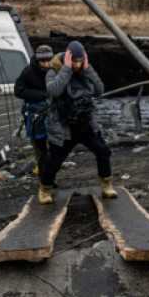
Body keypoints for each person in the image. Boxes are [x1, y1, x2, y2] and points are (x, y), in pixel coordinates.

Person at [38, 40, 117, 204]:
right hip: (63, 126)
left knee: (103, 152)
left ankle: (106, 185)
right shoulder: (54, 70)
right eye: (75, 61)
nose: (78, 65)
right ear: (68, 58)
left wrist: (87, 69)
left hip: (86, 124)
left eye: (81, 61)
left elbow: (100, 90)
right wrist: (66, 69)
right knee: (54, 161)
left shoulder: (85, 70)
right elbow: (53, 90)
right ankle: (45, 189)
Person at [14, 44, 54, 171]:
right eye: (43, 61)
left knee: (54, 147)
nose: (46, 64)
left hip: (53, 112)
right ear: (38, 61)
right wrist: (42, 95)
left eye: (49, 61)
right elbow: (18, 91)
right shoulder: (28, 72)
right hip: (34, 114)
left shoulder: (55, 71)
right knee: (40, 149)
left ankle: (50, 176)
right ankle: (44, 179)